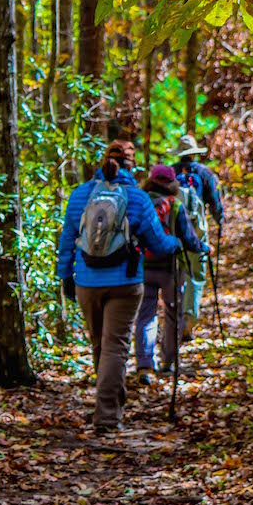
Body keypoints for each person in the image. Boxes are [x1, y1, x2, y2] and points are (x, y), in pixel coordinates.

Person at [57, 139, 181, 431]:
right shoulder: (136, 198)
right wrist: (176, 243)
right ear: (131, 166)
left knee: (102, 345)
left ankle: (113, 399)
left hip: (87, 282)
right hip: (125, 283)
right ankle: (107, 417)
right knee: (115, 347)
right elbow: (157, 244)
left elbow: (66, 241)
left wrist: (65, 277)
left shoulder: (79, 196)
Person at [134, 164, 209, 385]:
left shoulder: (141, 203)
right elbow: (190, 240)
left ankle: (145, 365)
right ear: (172, 183)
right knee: (172, 313)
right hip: (170, 269)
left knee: (145, 315)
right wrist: (204, 248)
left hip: (143, 267)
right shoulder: (175, 206)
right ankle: (168, 361)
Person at [170, 134, 225, 336]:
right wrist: (220, 220)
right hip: (198, 234)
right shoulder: (205, 173)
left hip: (175, 234)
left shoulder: (171, 173)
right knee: (196, 276)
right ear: (194, 154)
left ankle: (173, 320)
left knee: (177, 276)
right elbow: (215, 203)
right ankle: (189, 320)